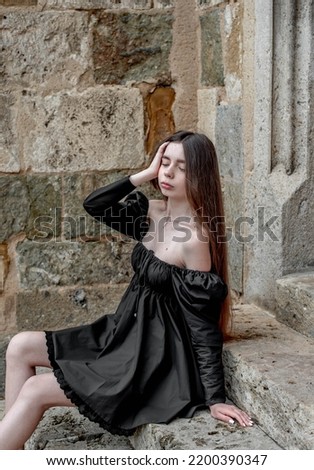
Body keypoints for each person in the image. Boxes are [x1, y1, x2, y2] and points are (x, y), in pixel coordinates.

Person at [0, 130, 253, 450]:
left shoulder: (194, 239)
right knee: (19, 345)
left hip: (149, 359)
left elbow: (202, 324)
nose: (169, 172)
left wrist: (215, 398)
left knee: (36, 389)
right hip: (121, 335)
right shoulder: (153, 212)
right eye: (165, 163)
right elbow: (95, 204)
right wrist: (143, 174)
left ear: (199, 175)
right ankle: (12, 447)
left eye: (182, 167)